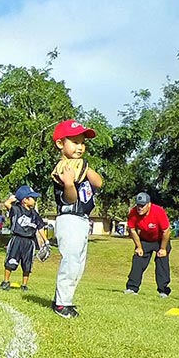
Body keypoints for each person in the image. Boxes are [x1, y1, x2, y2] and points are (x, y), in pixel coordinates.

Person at [49, 118, 104, 319]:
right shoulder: (62, 169)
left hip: (82, 220)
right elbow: (68, 200)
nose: (80, 146)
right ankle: (62, 304)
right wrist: (69, 183)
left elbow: (98, 183)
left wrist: (85, 167)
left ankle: (62, 299)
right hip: (69, 218)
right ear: (60, 143)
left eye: (82, 142)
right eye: (74, 141)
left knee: (79, 264)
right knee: (71, 261)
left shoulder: (80, 165)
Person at [0, 185, 49, 291]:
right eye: (33, 198)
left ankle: (24, 285)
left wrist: (46, 241)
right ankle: (6, 281)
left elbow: (40, 227)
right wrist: (13, 198)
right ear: (25, 200)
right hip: (17, 239)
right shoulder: (16, 209)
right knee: (11, 261)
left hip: (30, 241)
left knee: (27, 264)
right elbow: (7, 204)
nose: (35, 200)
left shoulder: (34, 214)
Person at [125, 191, 172, 297]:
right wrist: (139, 247)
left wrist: (163, 248)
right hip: (145, 239)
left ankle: (163, 290)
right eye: (138, 205)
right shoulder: (133, 213)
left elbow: (166, 231)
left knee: (162, 261)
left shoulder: (158, 212)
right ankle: (132, 288)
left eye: (142, 205)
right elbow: (132, 230)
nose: (139, 208)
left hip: (161, 240)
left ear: (149, 204)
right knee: (138, 259)